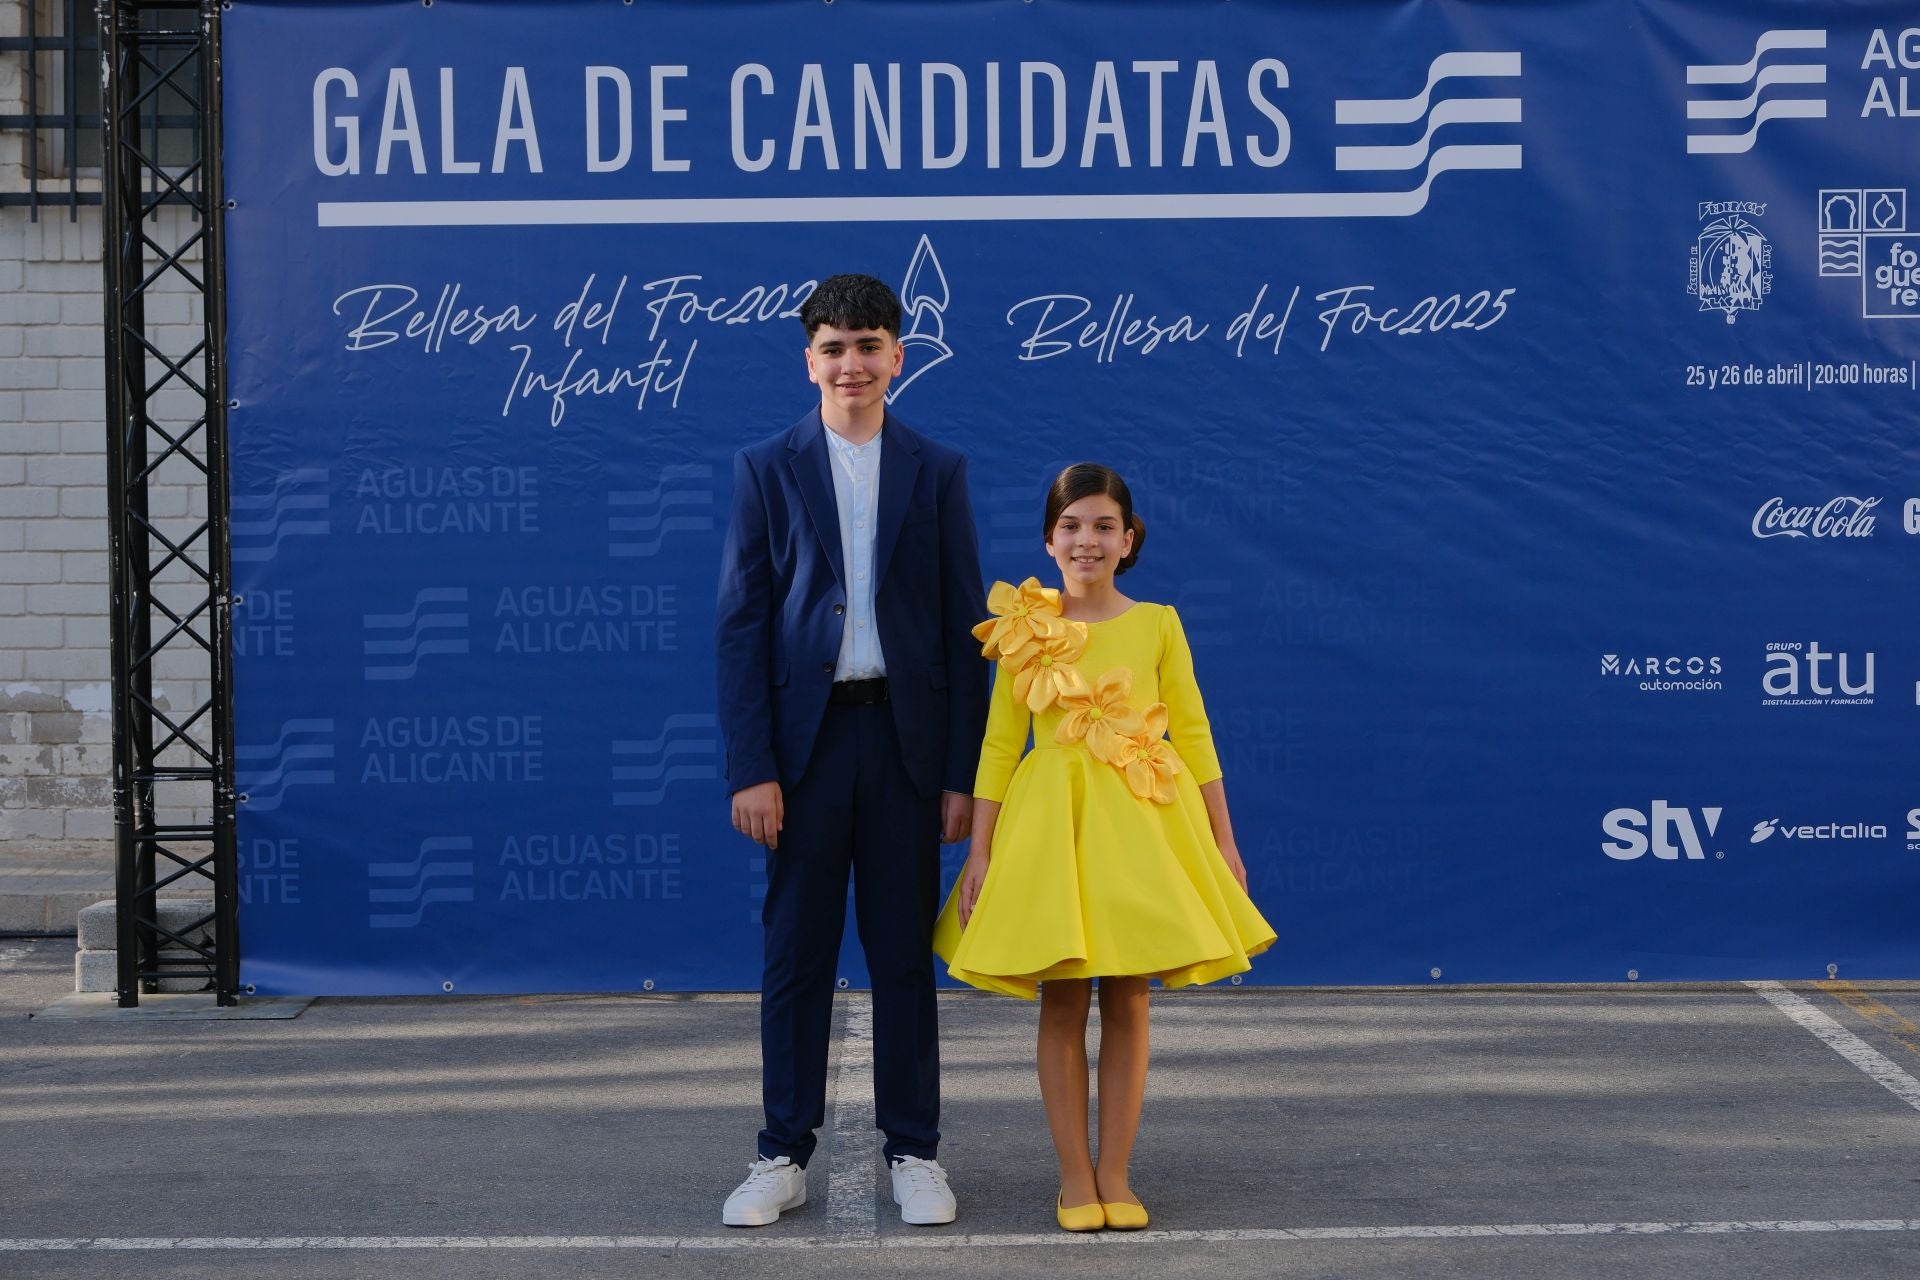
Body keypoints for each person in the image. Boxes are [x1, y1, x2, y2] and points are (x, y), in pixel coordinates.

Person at [931, 462, 1275, 1232]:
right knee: (1061, 997)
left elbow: (1194, 734)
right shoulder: (1023, 629)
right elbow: (996, 746)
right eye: (1073, 526)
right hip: (1052, 831)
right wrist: (980, 854)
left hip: (1145, 827)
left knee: (1128, 996)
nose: (1088, 540)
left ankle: (1116, 1173)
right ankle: (1073, 1179)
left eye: (1104, 526)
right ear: (1049, 539)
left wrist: (1224, 839)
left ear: (1129, 538)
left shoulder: (1159, 622)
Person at [714, 273, 988, 1228]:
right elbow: (742, 623)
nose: (852, 363)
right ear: (809, 361)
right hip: (806, 749)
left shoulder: (938, 469)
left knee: (903, 955)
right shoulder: (765, 466)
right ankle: (780, 1153)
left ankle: (915, 1150)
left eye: (869, 345)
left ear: (897, 356)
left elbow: (964, 631)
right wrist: (753, 765)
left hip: (908, 748)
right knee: (796, 953)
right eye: (834, 348)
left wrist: (962, 774)